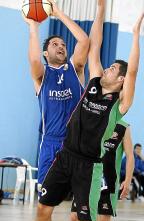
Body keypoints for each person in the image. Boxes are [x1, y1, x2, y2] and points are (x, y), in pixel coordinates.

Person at [18, 1, 144, 221]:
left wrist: (136, 36)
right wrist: (100, 11)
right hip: (62, 153)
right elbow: (95, 45)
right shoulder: (93, 82)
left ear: (122, 80)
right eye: (109, 66)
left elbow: (128, 68)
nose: (108, 68)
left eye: (114, 68)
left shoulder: (119, 103)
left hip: (89, 165)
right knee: (43, 207)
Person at [22, 0, 89, 200]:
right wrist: (33, 27)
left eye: (63, 44)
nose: (60, 46)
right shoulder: (42, 75)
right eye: (54, 44)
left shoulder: (75, 69)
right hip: (51, 144)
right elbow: (34, 61)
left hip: (76, 144)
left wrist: (57, 12)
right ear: (46, 52)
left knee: (80, 210)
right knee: (45, 205)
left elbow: (84, 41)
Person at [61, 120, 134, 221]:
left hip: (108, 181)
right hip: (87, 178)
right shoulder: (95, 118)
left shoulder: (123, 127)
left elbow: (129, 155)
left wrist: (127, 180)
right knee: (74, 217)